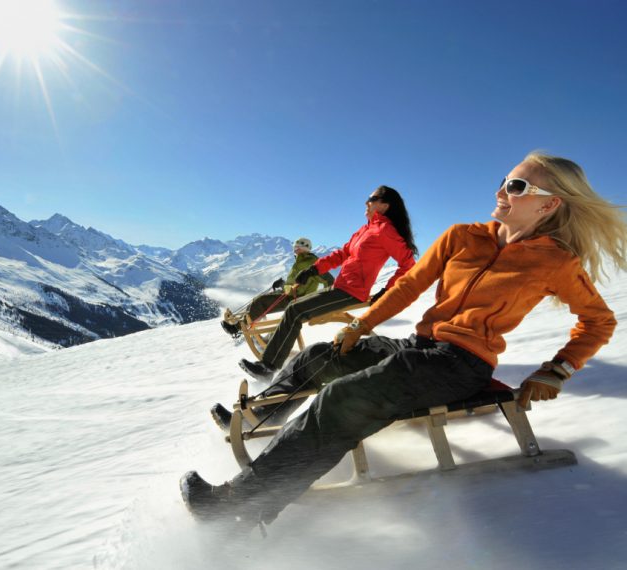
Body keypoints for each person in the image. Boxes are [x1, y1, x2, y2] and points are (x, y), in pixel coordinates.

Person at [181, 152, 625, 529]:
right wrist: (361, 326)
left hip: (461, 364)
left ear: (548, 206)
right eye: (503, 182)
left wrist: (557, 369)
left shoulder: (556, 261)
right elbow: (409, 286)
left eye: (516, 185)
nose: (501, 192)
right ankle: (269, 417)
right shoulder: (462, 236)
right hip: (419, 347)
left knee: (342, 399)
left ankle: (243, 509)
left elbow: (598, 321)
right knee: (324, 354)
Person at [238, 185, 417, 381]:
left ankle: (268, 367)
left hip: (352, 292)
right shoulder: (366, 229)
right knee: (293, 307)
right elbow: (342, 254)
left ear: (385, 205)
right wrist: (314, 269)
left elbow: (408, 264)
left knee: (295, 310)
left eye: (371, 198)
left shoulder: (385, 231)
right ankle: (270, 361)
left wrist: (387, 290)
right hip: (339, 287)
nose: (366, 202)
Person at [220, 237, 334, 338]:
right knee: (258, 299)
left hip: (296, 299)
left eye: (298, 248)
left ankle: (237, 328)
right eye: (295, 247)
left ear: (306, 249)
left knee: (260, 302)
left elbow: (329, 280)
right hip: (289, 293)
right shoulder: (300, 262)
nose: (295, 250)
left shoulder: (312, 263)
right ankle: (250, 323)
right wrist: (282, 284)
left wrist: (322, 300)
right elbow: (295, 282)